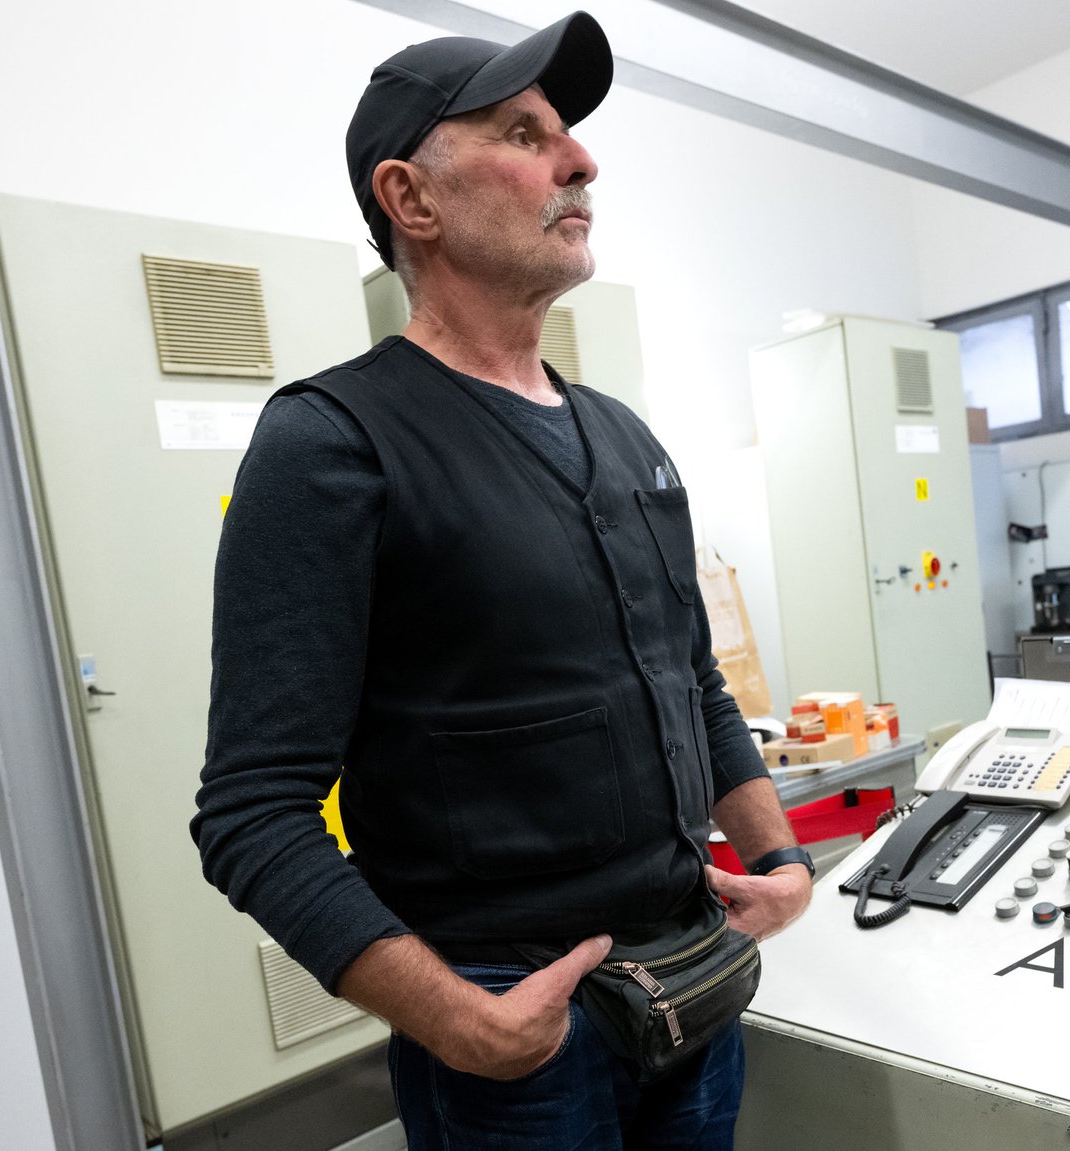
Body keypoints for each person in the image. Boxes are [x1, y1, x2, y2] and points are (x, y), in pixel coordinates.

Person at [191, 13, 812, 1149]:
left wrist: (777, 855)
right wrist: (463, 1022)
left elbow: (690, 680)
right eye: (523, 134)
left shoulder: (624, 438)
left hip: (692, 977)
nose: (578, 161)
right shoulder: (333, 440)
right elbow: (249, 813)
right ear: (410, 199)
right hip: (518, 1027)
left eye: (566, 136)